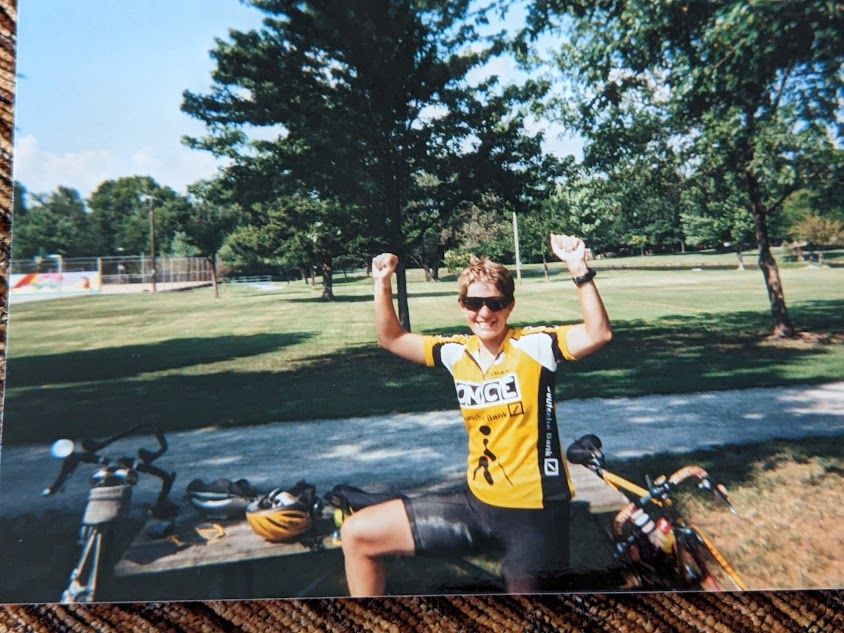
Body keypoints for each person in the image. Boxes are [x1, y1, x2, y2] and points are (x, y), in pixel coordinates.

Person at [340, 234, 612, 596]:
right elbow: (391, 338)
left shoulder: (535, 346)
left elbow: (599, 333)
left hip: (535, 513)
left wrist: (579, 269)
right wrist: (382, 281)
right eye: (474, 303)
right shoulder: (455, 352)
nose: (484, 313)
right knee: (357, 533)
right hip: (478, 504)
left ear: (510, 306)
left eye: (495, 303)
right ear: (462, 305)